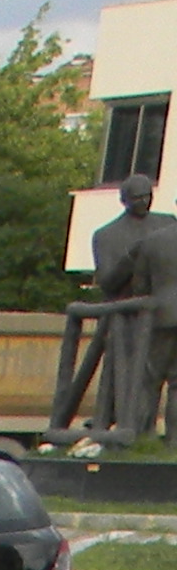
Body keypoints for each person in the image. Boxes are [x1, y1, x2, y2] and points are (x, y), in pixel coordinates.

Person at [90, 175, 177, 443]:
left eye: (148, 195)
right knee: (138, 380)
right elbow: (107, 282)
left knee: (162, 379)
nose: (144, 201)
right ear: (123, 200)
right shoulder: (106, 235)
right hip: (127, 319)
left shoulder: (166, 224)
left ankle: (167, 439)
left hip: (159, 314)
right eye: (137, 197)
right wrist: (131, 258)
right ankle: (137, 436)